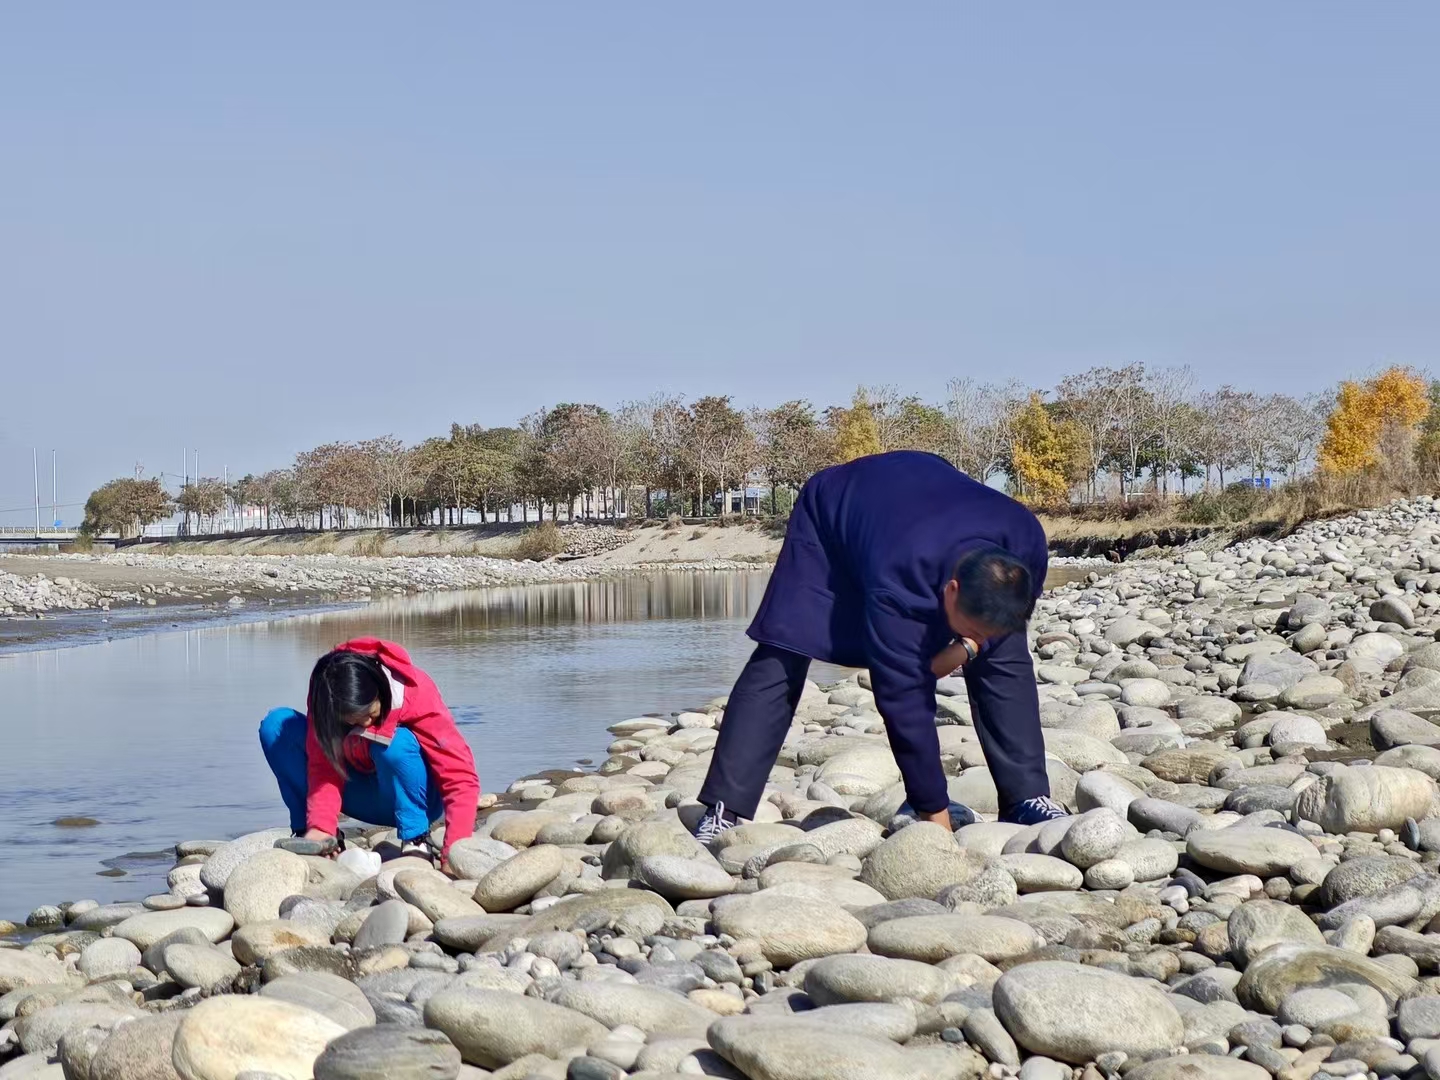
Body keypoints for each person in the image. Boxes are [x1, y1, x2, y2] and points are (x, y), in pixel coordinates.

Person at [693, 450, 1065, 845]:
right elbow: (903, 698)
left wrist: (970, 645)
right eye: (970, 627)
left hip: (921, 496)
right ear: (950, 591)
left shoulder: (1026, 543)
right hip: (834, 511)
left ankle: (1027, 796)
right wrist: (934, 817)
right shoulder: (900, 576)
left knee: (1006, 656)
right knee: (783, 651)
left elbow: (998, 631)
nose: (978, 636)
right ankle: (724, 809)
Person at [259, 638, 480, 873]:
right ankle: (315, 838)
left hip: (417, 798)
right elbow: (323, 764)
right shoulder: (326, 689)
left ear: (380, 689)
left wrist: (453, 854)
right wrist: (321, 824)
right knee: (276, 725)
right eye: (353, 720)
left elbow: (460, 777)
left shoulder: (414, 689)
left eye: (370, 714)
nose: (364, 723)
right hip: (358, 792)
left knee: (396, 743)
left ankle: (415, 841)